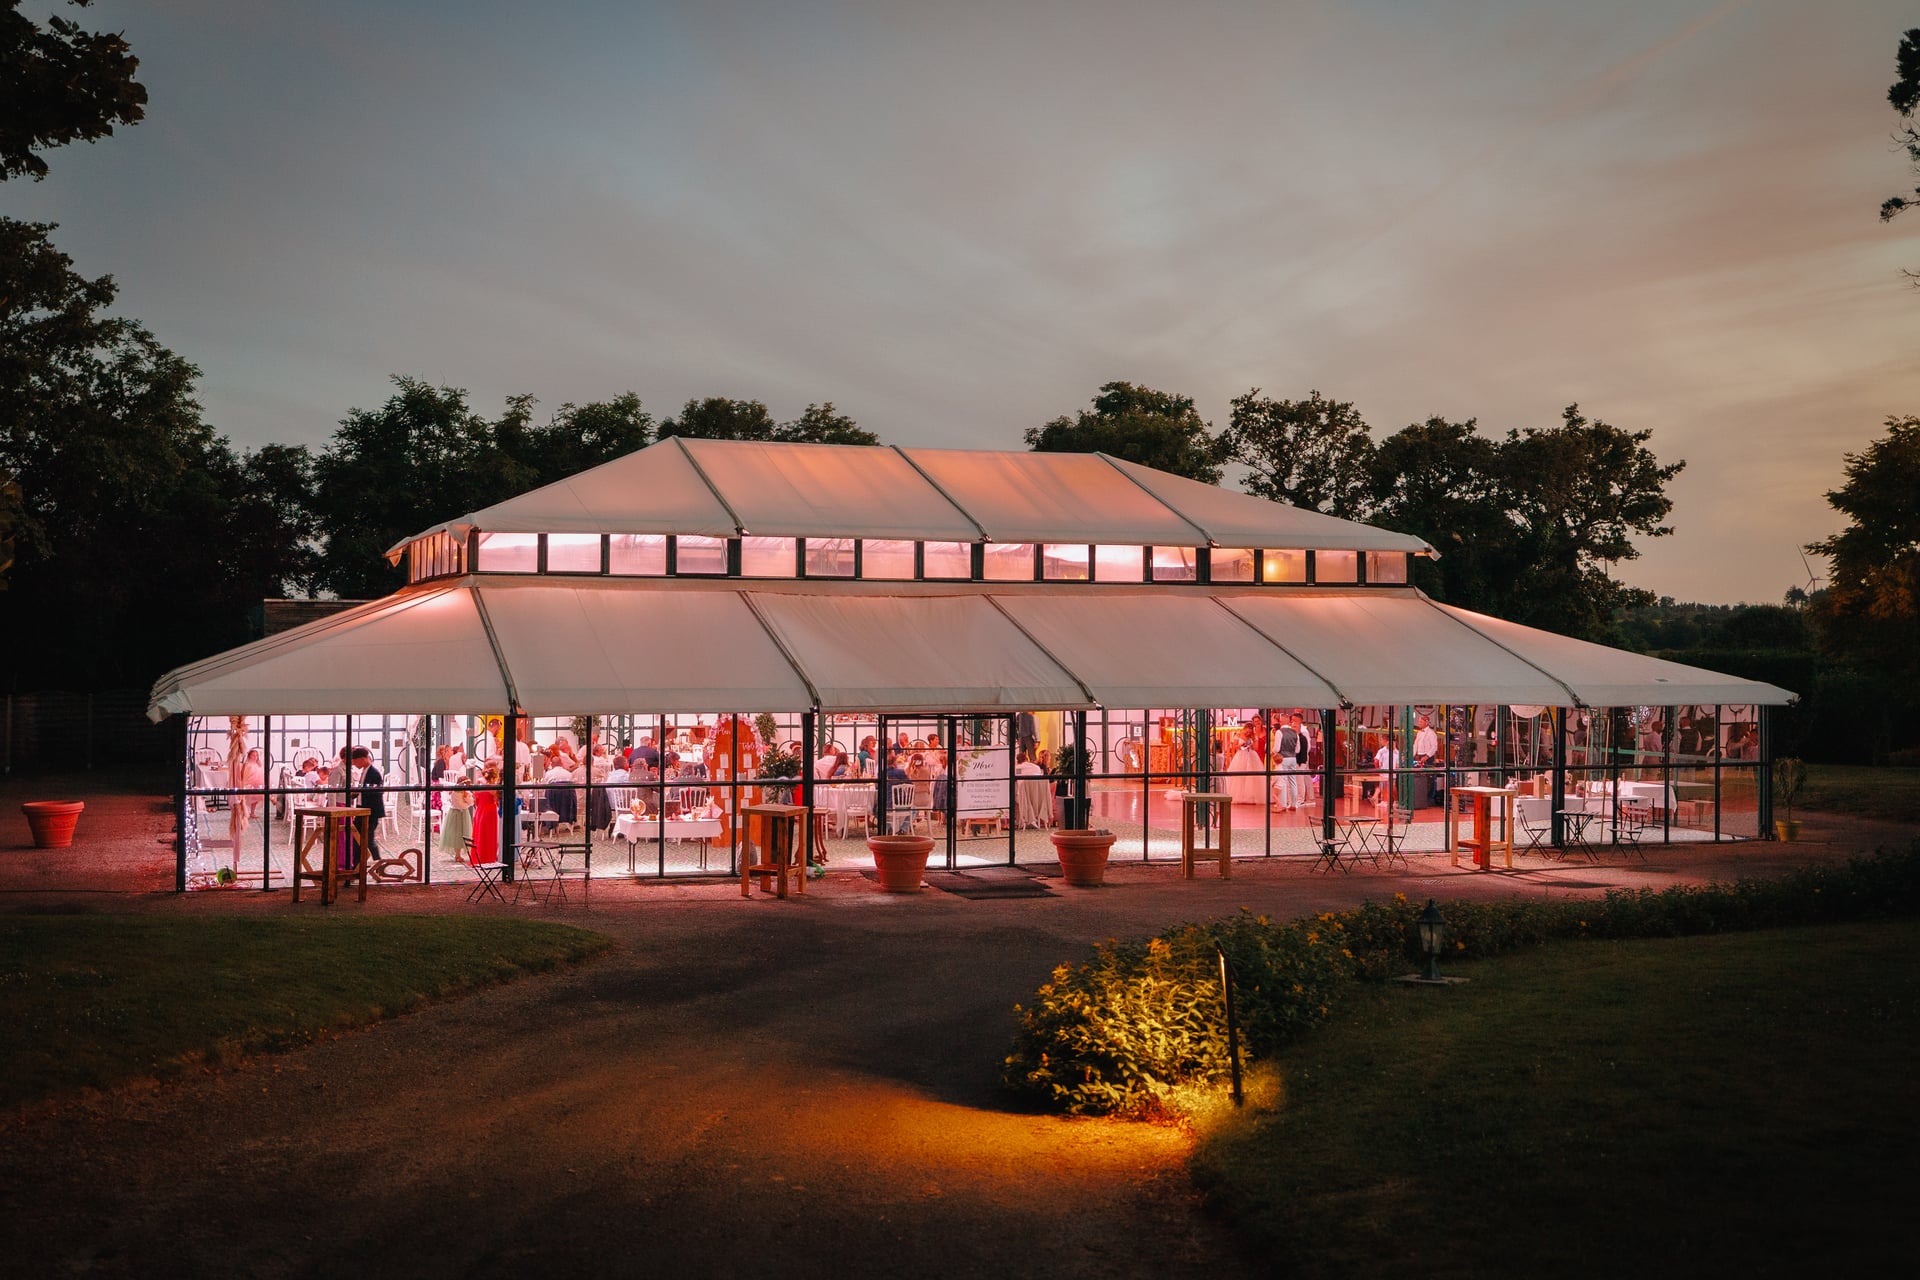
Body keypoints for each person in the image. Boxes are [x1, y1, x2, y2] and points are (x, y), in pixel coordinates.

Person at [349, 747, 385, 859]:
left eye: (355, 761)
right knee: (357, 838)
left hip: (370, 812)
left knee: (368, 840)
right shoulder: (365, 772)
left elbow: (377, 793)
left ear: (362, 759)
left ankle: (378, 865)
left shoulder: (374, 773)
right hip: (361, 810)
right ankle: (356, 865)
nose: (354, 764)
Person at [1271, 713, 1310, 810]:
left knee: (1283, 781)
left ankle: (1283, 805)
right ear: (1288, 721)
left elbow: (1277, 748)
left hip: (1283, 758)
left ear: (1280, 722)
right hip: (1293, 758)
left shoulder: (1279, 732)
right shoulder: (1294, 733)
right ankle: (1293, 804)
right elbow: (1297, 749)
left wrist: (1273, 752)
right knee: (1293, 781)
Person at [471, 761, 501, 866]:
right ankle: (489, 856)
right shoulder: (494, 789)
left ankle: (479, 856)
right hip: (490, 811)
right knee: (489, 834)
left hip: (480, 811)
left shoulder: (480, 787)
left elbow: (476, 800)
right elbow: (496, 801)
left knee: (480, 833)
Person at [1411, 713, 1442, 805]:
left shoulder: (1431, 733)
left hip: (1428, 757)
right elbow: (1415, 745)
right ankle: (1420, 798)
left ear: (1426, 722)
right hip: (1420, 756)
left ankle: (1428, 799)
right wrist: (1412, 755)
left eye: (1421, 721)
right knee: (1420, 777)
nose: (1419, 723)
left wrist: (1427, 756)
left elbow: (1434, 747)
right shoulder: (1419, 733)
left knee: (1428, 778)